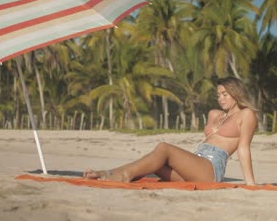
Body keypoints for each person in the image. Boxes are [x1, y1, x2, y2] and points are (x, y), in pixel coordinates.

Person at [84, 77, 258, 185]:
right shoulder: (214, 114)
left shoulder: (246, 114)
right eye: (218, 95)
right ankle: (109, 172)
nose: (220, 98)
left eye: (225, 94)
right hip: (196, 164)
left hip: (210, 170)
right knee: (156, 165)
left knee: (163, 148)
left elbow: (243, 148)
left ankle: (123, 176)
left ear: (236, 93)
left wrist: (250, 184)